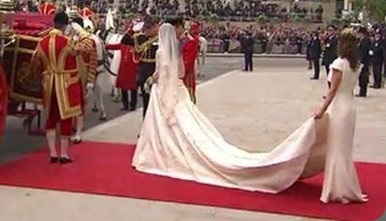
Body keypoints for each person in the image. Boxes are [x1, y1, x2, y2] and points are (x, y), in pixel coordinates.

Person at [133, 23, 328, 194]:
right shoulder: (175, 51)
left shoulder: (160, 52)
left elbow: (160, 72)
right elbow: (181, 72)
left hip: (163, 91)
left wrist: (151, 80)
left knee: (163, 126)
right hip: (177, 88)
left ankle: (158, 151)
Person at [312, 28, 369, 204]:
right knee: (345, 150)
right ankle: (346, 186)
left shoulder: (339, 63)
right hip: (349, 106)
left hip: (338, 107)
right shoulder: (357, 64)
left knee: (336, 149)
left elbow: (332, 91)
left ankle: (337, 189)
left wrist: (321, 110)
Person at [31, 11, 83, 164]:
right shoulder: (67, 41)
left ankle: (53, 153)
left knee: (51, 118)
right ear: (66, 25)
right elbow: (82, 49)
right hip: (64, 84)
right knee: (66, 118)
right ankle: (64, 154)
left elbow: (35, 61)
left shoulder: (42, 42)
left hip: (48, 83)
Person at [120, 15, 158, 119]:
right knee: (146, 102)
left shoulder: (161, 38)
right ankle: (145, 126)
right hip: (144, 72)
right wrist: (132, 29)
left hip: (156, 72)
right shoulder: (140, 38)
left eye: (152, 27)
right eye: (147, 28)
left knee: (157, 103)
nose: (150, 30)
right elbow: (124, 40)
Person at [69, 16, 98, 144]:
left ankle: (79, 132)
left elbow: (93, 62)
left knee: (80, 105)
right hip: (69, 76)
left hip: (82, 76)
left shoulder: (88, 41)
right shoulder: (68, 39)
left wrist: (91, 80)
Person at [105, 20, 139, 111]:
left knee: (133, 89)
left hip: (133, 69)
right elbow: (116, 46)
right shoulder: (124, 43)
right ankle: (125, 105)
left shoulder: (137, 44)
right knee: (123, 87)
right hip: (124, 68)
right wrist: (105, 46)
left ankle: (133, 105)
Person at [168, 18, 199, 104]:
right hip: (175, 75)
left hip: (186, 76)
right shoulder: (177, 39)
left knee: (188, 102)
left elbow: (187, 63)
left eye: (174, 29)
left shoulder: (189, 40)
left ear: (180, 27)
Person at [356, 27, 371, 97]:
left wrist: (361, 61)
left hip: (364, 61)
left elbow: (364, 52)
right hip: (360, 60)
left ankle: (363, 92)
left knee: (364, 77)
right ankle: (361, 91)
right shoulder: (360, 40)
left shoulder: (366, 41)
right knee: (361, 77)